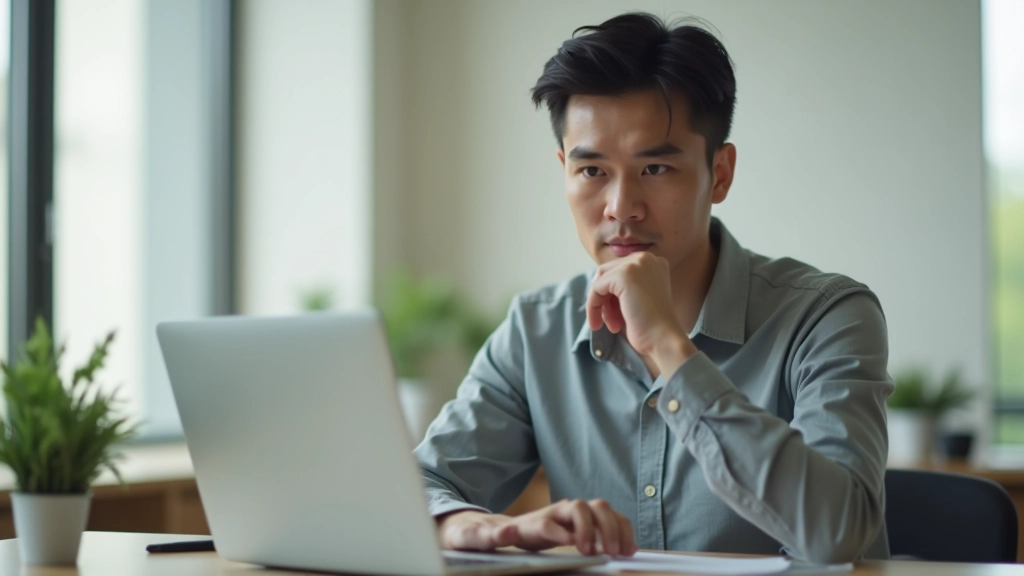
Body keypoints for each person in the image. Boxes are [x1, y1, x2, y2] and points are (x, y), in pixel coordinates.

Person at [414, 12, 892, 564]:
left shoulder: (827, 316)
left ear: (720, 173)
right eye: (592, 171)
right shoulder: (535, 331)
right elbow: (419, 486)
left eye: (656, 169)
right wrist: (474, 526)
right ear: (564, 169)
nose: (621, 208)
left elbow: (837, 533)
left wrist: (669, 347)